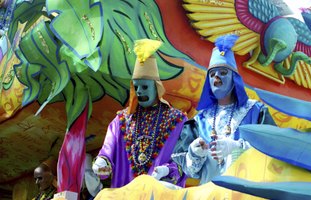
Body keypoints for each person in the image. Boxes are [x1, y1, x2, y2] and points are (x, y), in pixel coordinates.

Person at [171, 34, 275, 185]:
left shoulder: (256, 111)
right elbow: (192, 172)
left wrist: (238, 147)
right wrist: (195, 153)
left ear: (234, 79)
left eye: (223, 73)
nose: (217, 78)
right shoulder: (200, 121)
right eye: (212, 74)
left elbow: (272, 150)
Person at [92, 39, 187, 188]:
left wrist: (168, 170)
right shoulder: (122, 120)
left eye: (144, 86)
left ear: (156, 87)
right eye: (136, 87)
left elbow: (184, 161)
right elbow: (108, 150)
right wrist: (102, 161)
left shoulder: (177, 120)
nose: (140, 91)